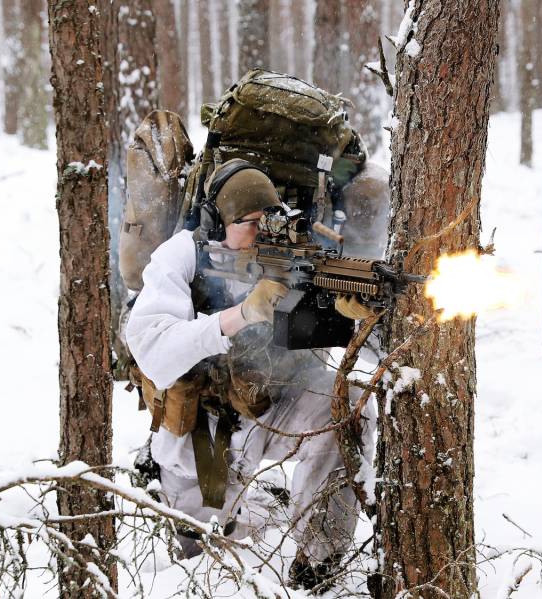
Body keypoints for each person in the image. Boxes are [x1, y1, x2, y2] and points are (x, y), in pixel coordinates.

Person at [125, 161, 372, 591]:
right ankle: (177, 487)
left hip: (275, 402)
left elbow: (368, 345)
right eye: (249, 222)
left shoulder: (295, 251)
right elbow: (154, 355)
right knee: (198, 563)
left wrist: (356, 317)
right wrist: (238, 315)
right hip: (206, 432)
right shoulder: (183, 254)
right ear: (216, 221)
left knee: (346, 407)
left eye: (270, 220)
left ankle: (317, 566)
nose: (262, 232)